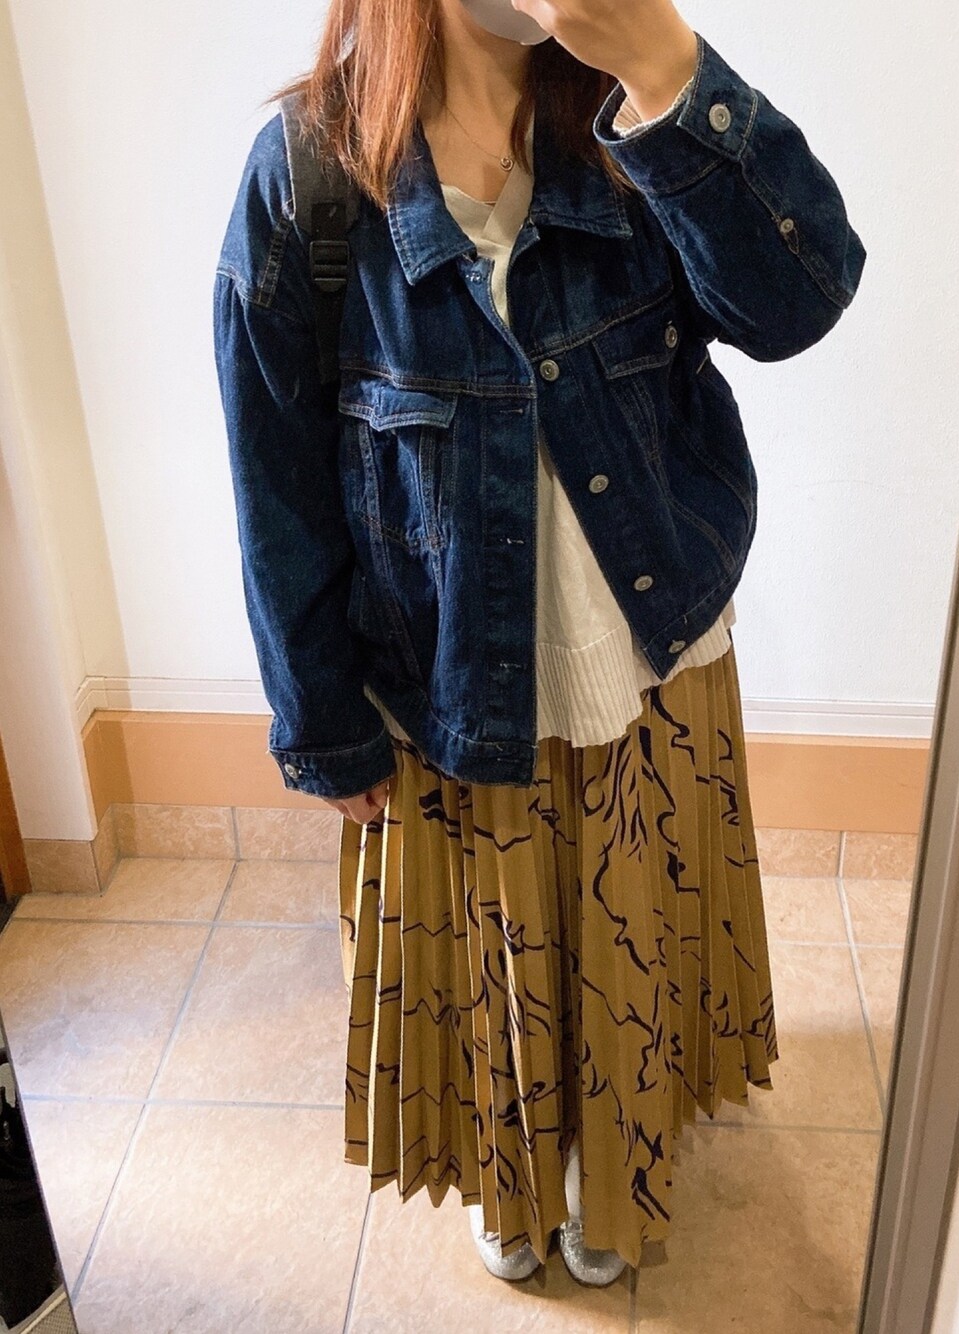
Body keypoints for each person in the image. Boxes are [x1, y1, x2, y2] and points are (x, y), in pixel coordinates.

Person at [213, 0, 865, 1289]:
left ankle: (611, 1170)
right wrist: (320, 720)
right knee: (493, 948)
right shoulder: (311, 171)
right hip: (440, 679)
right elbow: (274, 479)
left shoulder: (633, 106)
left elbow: (801, 302)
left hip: (646, 648)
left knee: (627, 925)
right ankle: (513, 1172)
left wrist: (666, 69)